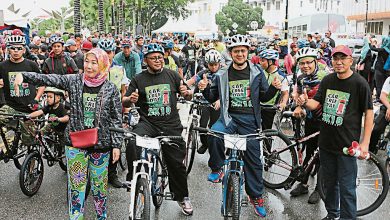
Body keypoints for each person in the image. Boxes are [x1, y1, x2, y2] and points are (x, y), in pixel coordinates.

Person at [13, 48, 123, 220]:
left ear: (103, 65)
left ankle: (101, 216)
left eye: (94, 63)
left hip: (100, 146)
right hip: (75, 144)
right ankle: (76, 218)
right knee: (76, 187)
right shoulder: (74, 81)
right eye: (87, 61)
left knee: (99, 188)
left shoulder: (111, 89)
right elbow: (50, 78)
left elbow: (116, 118)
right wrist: (24, 76)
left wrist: (116, 144)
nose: (89, 66)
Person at [198, 34, 282, 217]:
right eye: (236, 51)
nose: (240, 54)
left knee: (253, 162)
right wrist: (204, 89)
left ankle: (256, 197)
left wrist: (275, 88)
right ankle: (217, 168)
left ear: (248, 52)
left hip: (250, 121)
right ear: (230, 53)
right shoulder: (222, 74)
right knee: (213, 134)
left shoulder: (257, 72)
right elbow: (213, 97)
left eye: (243, 51)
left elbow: (265, 97)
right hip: (229, 118)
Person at [297, 45, 373, 220]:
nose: (338, 62)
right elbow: (316, 104)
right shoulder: (328, 80)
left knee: (347, 189)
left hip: (347, 146)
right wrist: (304, 101)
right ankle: (332, 214)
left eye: (342, 58)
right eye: (335, 58)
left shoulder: (360, 83)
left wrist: (365, 143)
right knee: (329, 185)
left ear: (350, 61)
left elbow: (369, 113)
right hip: (326, 143)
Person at [122, 43, 193, 215]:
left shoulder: (172, 75)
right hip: (148, 124)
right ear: (145, 60)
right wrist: (130, 99)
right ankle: (133, 178)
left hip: (171, 125)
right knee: (132, 140)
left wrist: (186, 93)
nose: (158, 60)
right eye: (153, 58)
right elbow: (124, 101)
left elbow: (188, 93)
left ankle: (182, 197)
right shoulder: (138, 79)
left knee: (176, 163)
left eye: (160, 57)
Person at [290, 47, 329, 204]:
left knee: (321, 156)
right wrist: (298, 106)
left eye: (308, 62)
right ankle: (304, 184)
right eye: (302, 63)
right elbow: (298, 94)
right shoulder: (300, 77)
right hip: (310, 119)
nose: (305, 66)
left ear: (316, 61)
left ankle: (319, 189)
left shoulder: (326, 76)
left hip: (325, 119)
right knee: (310, 152)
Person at [0, 34, 45, 158]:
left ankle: (31, 169)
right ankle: (7, 147)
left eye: (19, 48)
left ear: (24, 50)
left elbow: (42, 84)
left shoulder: (31, 65)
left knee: (31, 143)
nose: (16, 51)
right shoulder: (2, 66)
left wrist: (36, 99)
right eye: (13, 48)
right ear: (8, 49)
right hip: (10, 106)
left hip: (29, 108)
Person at [98, 38, 129, 188]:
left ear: (113, 53)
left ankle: (112, 174)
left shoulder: (119, 69)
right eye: (103, 52)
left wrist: (125, 110)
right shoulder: (93, 68)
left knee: (114, 142)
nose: (107, 55)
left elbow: (124, 91)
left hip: (114, 111)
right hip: (96, 111)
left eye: (109, 52)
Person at [187, 50, 222, 154]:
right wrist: (182, 87)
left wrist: (220, 100)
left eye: (216, 64)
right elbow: (190, 81)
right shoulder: (203, 73)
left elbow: (227, 89)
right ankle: (205, 143)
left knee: (213, 127)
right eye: (211, 65)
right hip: (204, 103)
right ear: (207, 64)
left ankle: (214, 146)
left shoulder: (224, 73)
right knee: (202, 126)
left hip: (217, 104)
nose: (214, 67)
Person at [258, 49, 289, 130]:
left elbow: (285, 93)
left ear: (270, 62)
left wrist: (283, 103)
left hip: (270, 109)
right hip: (258, 106)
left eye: (263, 60)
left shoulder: (281, 76)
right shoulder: (259, 72)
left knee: (267, 133)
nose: (260, 63)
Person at [369, 76, 390, 154]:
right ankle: (371, 152)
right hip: (387, 108)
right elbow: (382, 96)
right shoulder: (389, 79)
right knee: (376, 130)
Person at [370, 36, 390, 101]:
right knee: (383, 85)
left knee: (378, 84)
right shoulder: (388, 50)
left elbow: (372, 48)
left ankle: (379, 98)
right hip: (386, 70)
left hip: (379, 69)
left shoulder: (383, 49)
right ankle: (383, 98)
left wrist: (371, 43)